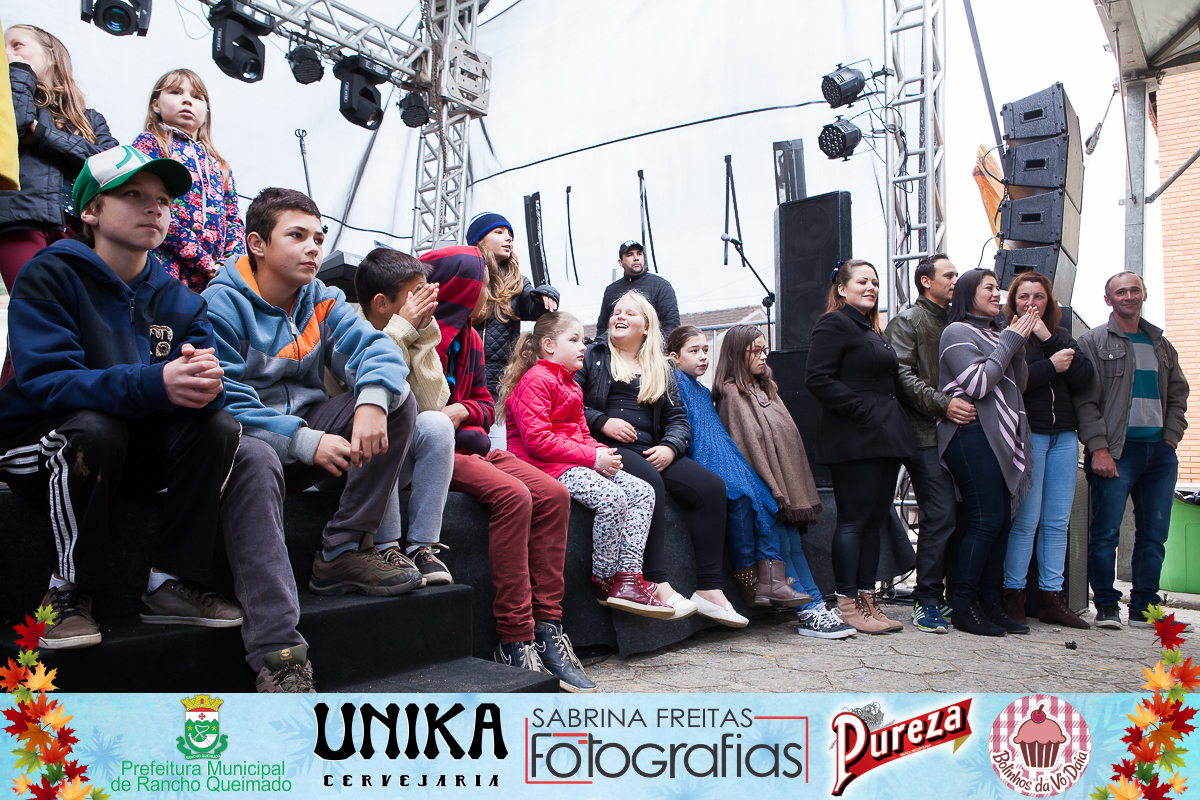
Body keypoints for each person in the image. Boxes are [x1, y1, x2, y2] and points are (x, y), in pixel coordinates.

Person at [0, 146, 242, 653]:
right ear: (91, 211)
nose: (154, 208)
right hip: (41, 445)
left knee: (218, 427)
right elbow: (47, 383)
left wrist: (203, 387)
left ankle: (171, 582)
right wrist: (157, 383)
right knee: (94, 427)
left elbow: (203, 394)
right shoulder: (50, 273)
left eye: (163, 200)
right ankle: (67, 590)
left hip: (128, 452)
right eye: (133, 194)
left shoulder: (181, 300)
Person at [419, 245, 592, 691]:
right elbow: (420, 417)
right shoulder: (420, 337)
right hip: (439, 452)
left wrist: (461, 411)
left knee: (554, 493)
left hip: (473, 444)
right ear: (460, 288)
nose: (490, 293)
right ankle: (514, 638)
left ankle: (548, 628)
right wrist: (456, 416)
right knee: (514, 496)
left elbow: (482, 404)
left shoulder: (473, 340)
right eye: (482, 284)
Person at [672, 325, 854, 639]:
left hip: (777, 483)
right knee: (783, 545)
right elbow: (745, 444)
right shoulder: (731, 394)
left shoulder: (764, 389)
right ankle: (808, 612)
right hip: (761, 482)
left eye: (764, 349)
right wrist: (768, 483)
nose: (763, 355)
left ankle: (814, 606)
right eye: (755, 350)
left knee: (793, 545)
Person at [578, 291, 745, 627]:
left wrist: (670, 447)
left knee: (712, 487)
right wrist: (602, 421)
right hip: (608, 448)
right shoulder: (594, 355)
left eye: (630, 313)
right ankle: (656, 580)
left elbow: (678, 421)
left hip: (653, 450)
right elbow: (571, 403)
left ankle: (709, 589)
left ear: (646, 326)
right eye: (616, 311)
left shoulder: (661, 367)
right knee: (650, 482)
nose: (619, 316)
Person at [503, 312, 667, 629]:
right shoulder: (536, 380)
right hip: (543, 467)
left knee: (643, 492)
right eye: (574, 339)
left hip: (572, 461)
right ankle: (605, 579)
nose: (583, 346)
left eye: (583, 340)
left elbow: (581, 433)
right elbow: (537, 442)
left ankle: (628, 577)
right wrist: (593, 458)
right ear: (549, 345)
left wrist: (601, 452)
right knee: (612, 499)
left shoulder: (572, 386)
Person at [1, 25, 119, 388]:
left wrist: (40, 134)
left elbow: (109, 164)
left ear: (51, 54)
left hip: (77, 229)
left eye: (17, 44)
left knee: (69, 320)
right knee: (35, 312)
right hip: (22, 220)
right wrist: (18, 73)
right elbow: (17, 123)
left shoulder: (90, 118)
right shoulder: (10, 94)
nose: (7, 52)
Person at [806, 259, 916, 634]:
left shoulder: (871, 329)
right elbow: (817, 378)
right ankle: (847, 603)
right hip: (855, 436)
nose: (871, 287)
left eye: (875, 282)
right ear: (842, 288)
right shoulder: (834, 323)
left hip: (883, 436)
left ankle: (868, 600)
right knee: (854, 520)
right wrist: (860, 410)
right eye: (862, 281)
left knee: (873, 521)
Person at [1077, 271, 1189, 629]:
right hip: (1115, 453)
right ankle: (1107, 605)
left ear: (1144, 294)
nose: (1128, 296)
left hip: (1159, 454)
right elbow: (1085, 402)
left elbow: (1179, 394)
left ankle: (1144, 608)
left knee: (1155, 535)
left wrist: (1170, 438)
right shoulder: (1093, 341)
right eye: (1121, 291)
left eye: (1134, 290)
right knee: (1105, 533)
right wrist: (1098, 448)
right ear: (1108, 299)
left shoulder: (1160, 344)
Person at [938, 268, 1036, 637]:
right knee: (985, 520)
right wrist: (1010, 340)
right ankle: (963, 606)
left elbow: (1017, 385)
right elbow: (978, 384)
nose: (998, 294)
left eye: (998, 288)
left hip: (1000, 435)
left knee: (1002, 522)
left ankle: (989, 604)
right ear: (968, 293)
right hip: (972, 434)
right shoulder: (956, 332)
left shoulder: (998, 333)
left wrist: (1016, 344)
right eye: (989, 288)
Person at [354, 247, 455, 585]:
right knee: (390, 413)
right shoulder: (351, 326)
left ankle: (421, 546)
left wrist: (420, 336)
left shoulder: (415, 332)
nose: (426, 302)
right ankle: (386, 545)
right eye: (416, 294)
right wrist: (399, 332)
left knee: (437, 424)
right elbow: (377, 393)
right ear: (382, 304)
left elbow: (431, 404)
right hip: (353, 460)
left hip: (393, 459)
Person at [999, 273, 1093, 630]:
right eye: (1023, 296)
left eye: (1038, 296)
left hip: (1065, 437)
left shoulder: (1062, 337)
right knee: (1027, 520)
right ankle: (1013, 595)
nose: (1031, 303)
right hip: (1031, 436)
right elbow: (1012, 385)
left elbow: (1084, 378)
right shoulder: (1008, 337)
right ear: (1013, 302)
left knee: (1057, 522)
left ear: (1049, 302)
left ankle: (1053, 597)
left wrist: (1047, 338)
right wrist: (1051, 366)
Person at [885, 253, 973, 634]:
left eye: (957, 275)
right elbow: (902, 378)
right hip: (923, 436)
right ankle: (927, 600)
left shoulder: (958, 321)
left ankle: (951, 597)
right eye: (948, 275)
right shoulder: (908, 321)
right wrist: (945, 404)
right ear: (925, 281)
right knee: (940, 515)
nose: (955, 280)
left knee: (962, 516)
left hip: (957, 435)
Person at [133, 69, 244, 292]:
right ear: (155, 105)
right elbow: (149, 206)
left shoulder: (219, 165)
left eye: (197, 96)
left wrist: (227, 265)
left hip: (212, 278)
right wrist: (202, 260)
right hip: (163, 263)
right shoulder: (151, 144)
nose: (187, 100)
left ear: (206, 111)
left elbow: (234, 220)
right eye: (175, 92)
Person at [466, 211, 559, 449]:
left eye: (510, 235)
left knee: (495, 449)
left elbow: (532, 307)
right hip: (462, 378)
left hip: (499, 383)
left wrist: (546, 293)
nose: (508, 238)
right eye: (499, 232)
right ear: (479, 239)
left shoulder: (517, 280)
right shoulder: (465, 272)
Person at [595, 240, 680, 341]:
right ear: (621, 262)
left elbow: (671, 325)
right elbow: (603, 327)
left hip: (651, 348)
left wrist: (655, 349)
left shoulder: (661, 286)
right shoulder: (611, 290)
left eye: (639, 254)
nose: (636, 258)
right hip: (617, 349)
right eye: (630, 255)